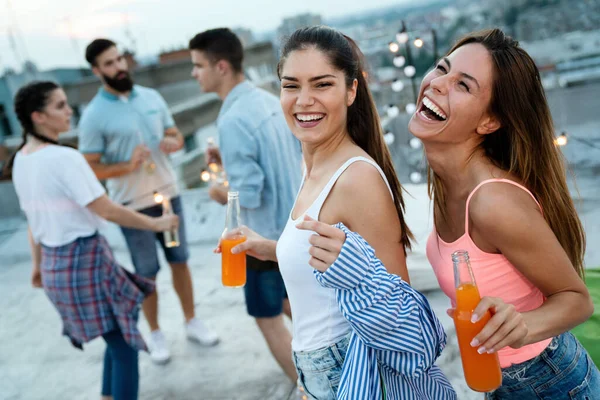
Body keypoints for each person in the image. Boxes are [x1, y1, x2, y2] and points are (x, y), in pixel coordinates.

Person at [217, 26, 456, 399]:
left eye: (322, 84)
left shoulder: (356, 179)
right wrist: (272, 248)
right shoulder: (311, 163)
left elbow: (406, 319)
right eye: (291, 85)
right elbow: (325, 270)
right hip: (317, 370)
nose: (303, 100)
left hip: (354, 373)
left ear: (351, 91)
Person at [418, 29, 600, 398]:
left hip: (551, 381)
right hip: (502, 380)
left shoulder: (492, 201)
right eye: (442, 68)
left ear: (489, 122)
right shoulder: (446, 181)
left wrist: (523, 324)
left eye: (463, 85)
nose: (438, 84)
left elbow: (577, 299)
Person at [5, 81, 179, 400]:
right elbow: (108, 209)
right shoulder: (63, 158)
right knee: (125, 343)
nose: (69, 110)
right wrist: (157, 223)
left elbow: (34, 220)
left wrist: (37, 265)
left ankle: (106, 395)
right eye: (59, 106)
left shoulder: (20, 160)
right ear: (38, 117)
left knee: (118, 331)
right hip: (86, 260)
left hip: (56, 266)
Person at [78, 38, 219, 364]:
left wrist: (171, 142)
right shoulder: (93, 116)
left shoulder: (152, 97)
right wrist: (126, 165)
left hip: (169, 195)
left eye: (120, 59)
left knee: (180, 260)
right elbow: (89, 165)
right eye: (110, 63)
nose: (119, 67)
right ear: (97, 70)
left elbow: (176, 135)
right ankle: (155, 333)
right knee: (146, 271)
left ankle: (192, 321)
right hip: (131, 205)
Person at [188, 28, 302, 383]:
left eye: (198, 66)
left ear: (221, 67)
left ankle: (310, 387)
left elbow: (247, 195)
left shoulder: (233, 119)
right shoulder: (268, 100)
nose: (194, 74)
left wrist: (218, 192)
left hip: (260, 237)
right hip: (291, 226)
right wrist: (228, 161)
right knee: (293, 304)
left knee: (267, 319)